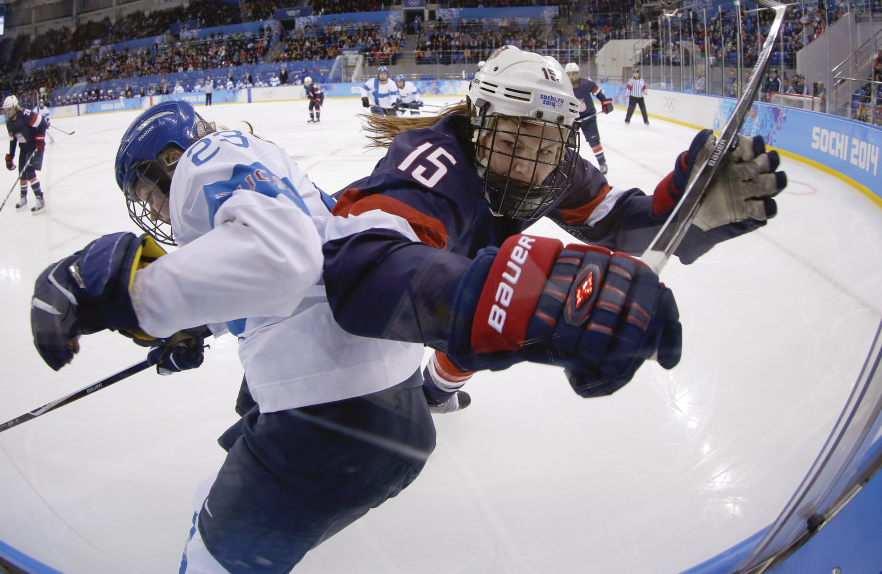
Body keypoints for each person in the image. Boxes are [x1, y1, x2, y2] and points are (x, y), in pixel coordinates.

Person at [27, 100, 436, 573]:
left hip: (332, 415)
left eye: (146, 191)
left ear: (170, 157)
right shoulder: (247, 156)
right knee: (217, 493)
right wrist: (201, 322)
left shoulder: (206, 158)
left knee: (208, 565)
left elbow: (284, 256)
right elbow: (281, 262)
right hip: (386, 405)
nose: (154, 208)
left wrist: (140, 297)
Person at [322, 45, 786, 411]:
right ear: (477, 124)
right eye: (510, 142)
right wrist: (515, 297)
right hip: (329, 294)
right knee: (480, 313)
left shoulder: (557, 167)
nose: (530, 168)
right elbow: (367, 268)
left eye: (547, 151)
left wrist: (679, 213)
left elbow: (617, 223)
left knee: (479, 325)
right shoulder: (435, 159)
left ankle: (435, 392)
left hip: (458, 264)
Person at [565, 62, 613, 175]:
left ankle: (602, 163)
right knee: (567, 144)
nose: (571, 76)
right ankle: (565, 164)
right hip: (572, 120)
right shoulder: (563, 86)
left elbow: (600, 95)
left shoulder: (587, 84)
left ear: (578, 74)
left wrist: (606, 104)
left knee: (594, 141)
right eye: (569, 74)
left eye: (574, 74)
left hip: (588, 118)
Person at [3, 94, 48, 214]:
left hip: (34, 146)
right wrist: (10, 157)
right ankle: (23, 197)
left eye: (9, 109)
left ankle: (40, 198)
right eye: (6, 109)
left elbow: (42, 123)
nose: (7, 111)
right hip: (23, 147)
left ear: (15, 106)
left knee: (29, 172)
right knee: (21, 174)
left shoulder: (25, 115)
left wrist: (39, 140)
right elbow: (12, 141)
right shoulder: (9, 123)